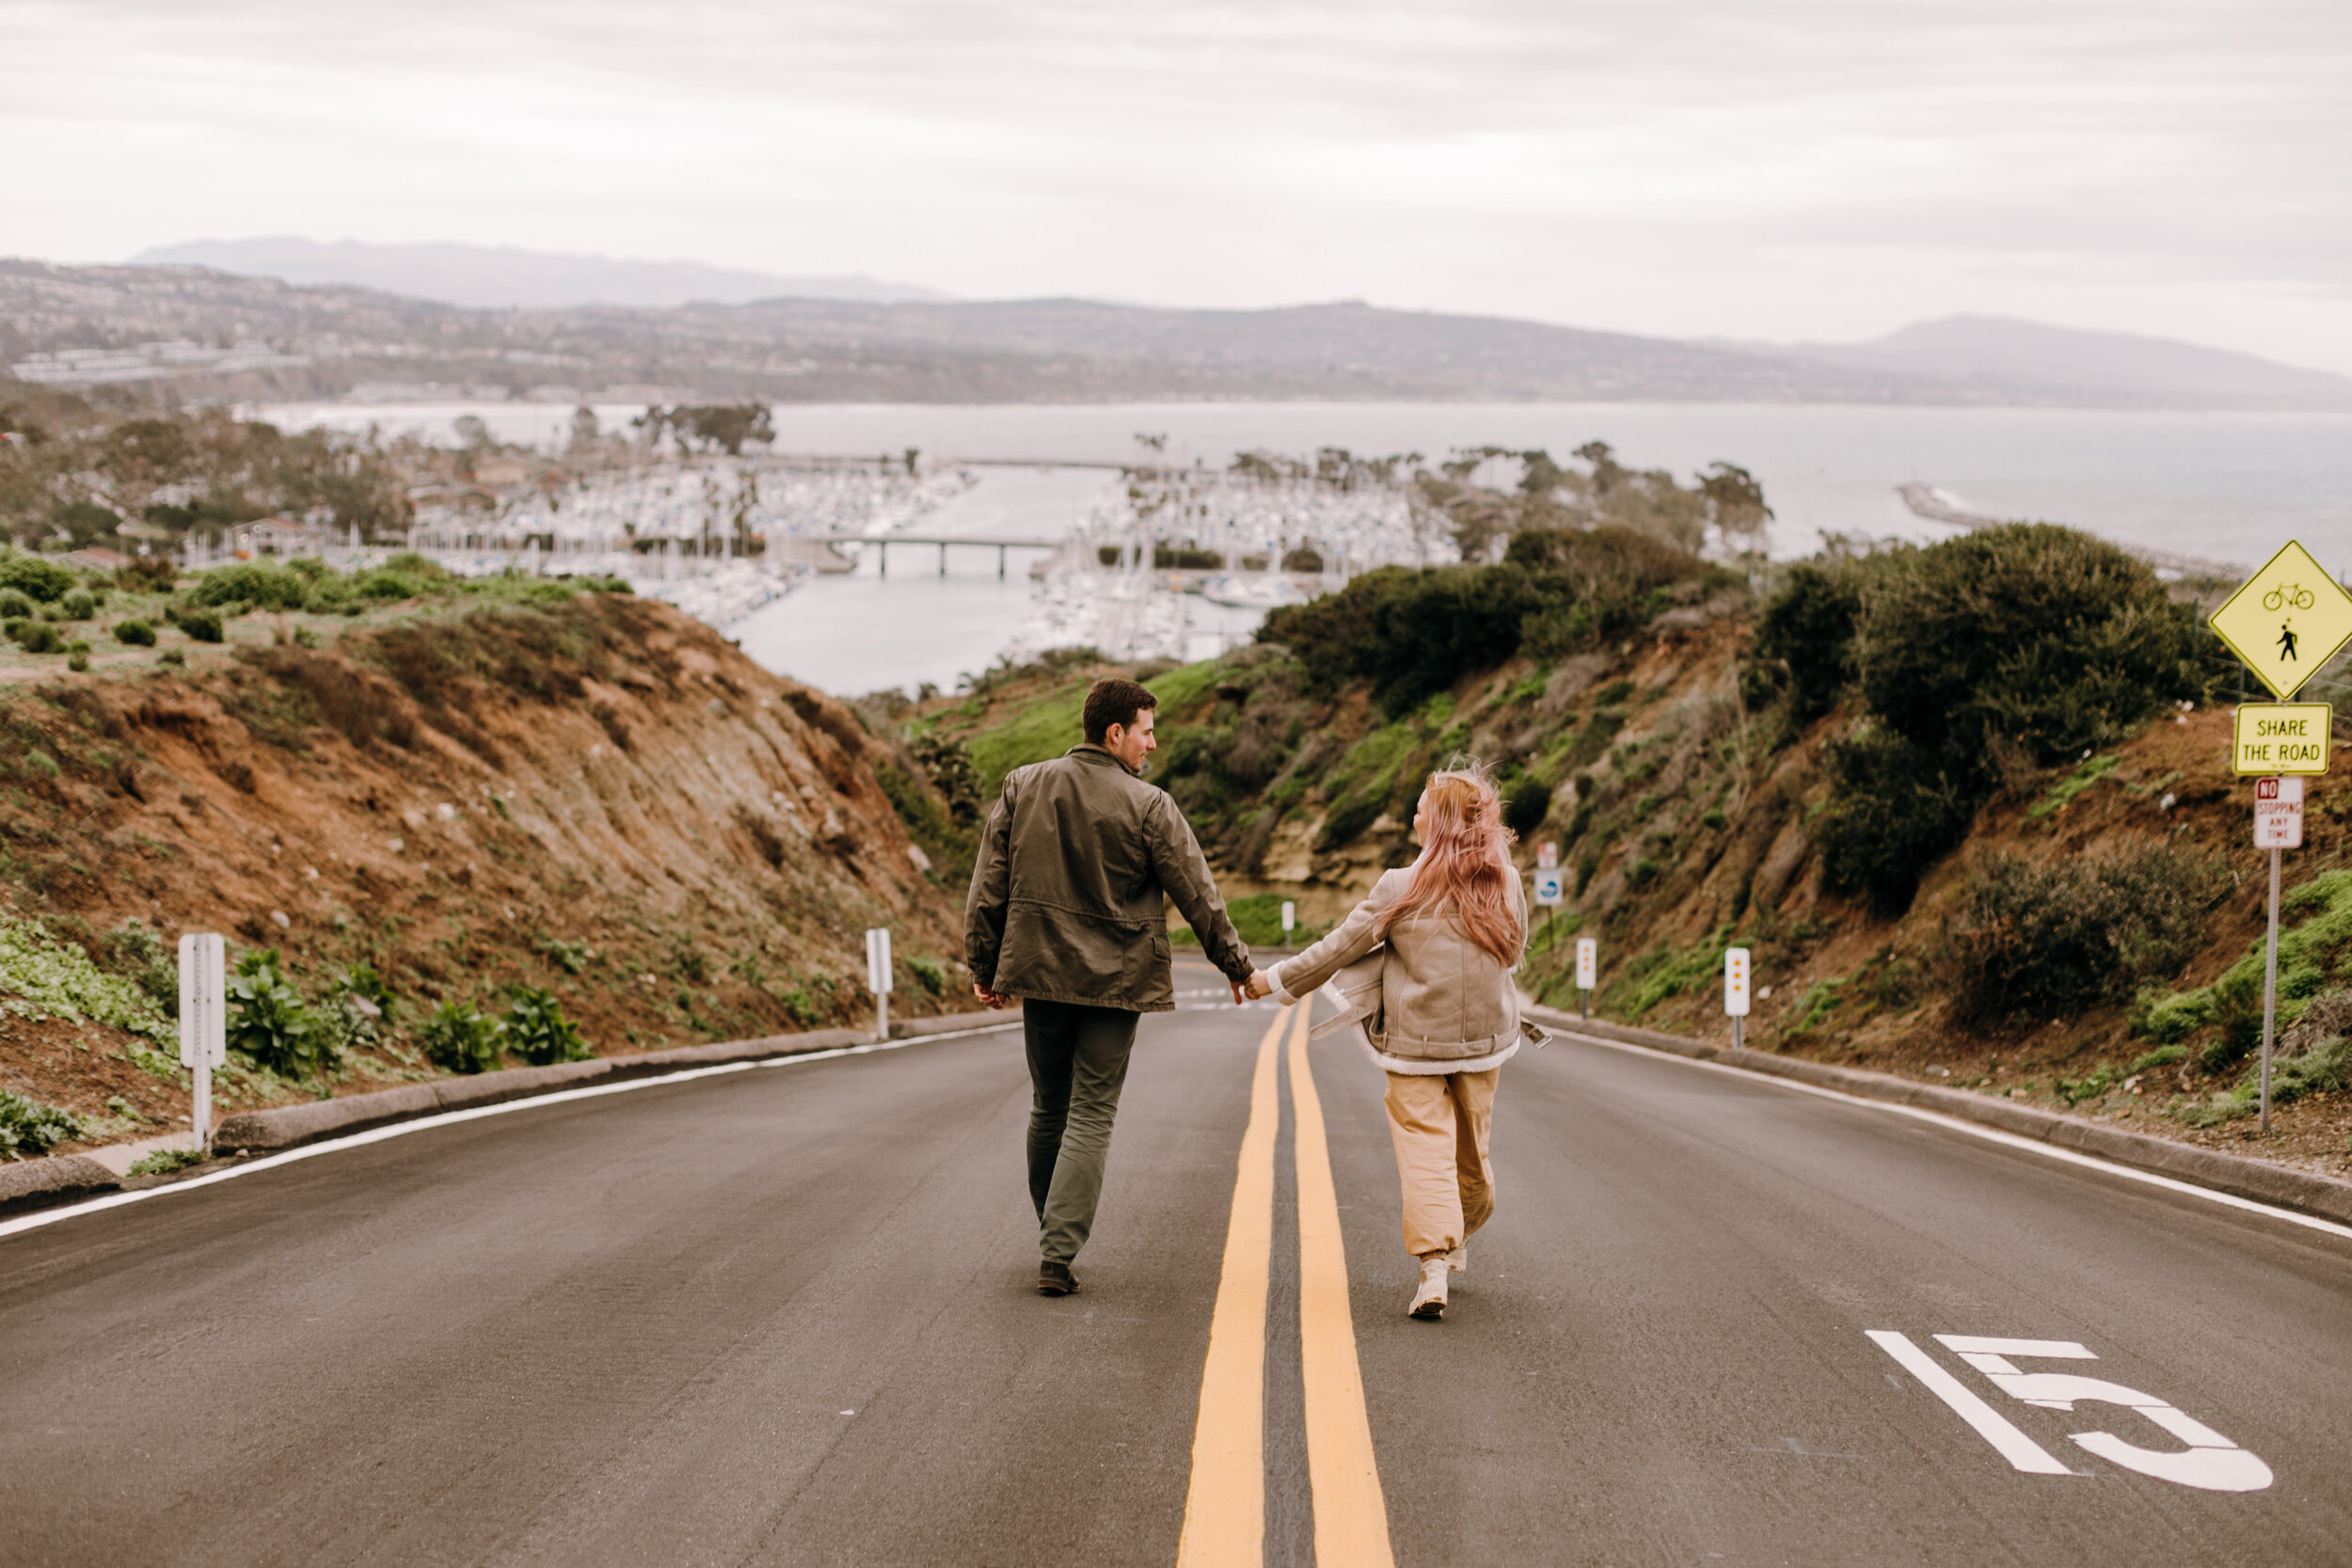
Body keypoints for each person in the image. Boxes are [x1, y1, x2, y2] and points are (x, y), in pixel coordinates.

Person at [967, 676, 1256, 1297]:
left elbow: (989, 881)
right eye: (1147, 731)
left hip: (1041, 971)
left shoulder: (1024, 784)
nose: (1154, 744)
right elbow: (1195, 889)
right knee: (1092, 1110)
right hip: (1114, 980)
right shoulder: (1149, 804)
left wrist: (982, 962)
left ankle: (1053, 1233)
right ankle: (1057, 1250)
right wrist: (1235, 963)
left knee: (1049, 1104)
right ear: (1115, 732)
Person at [1245, 767, 1535, 1322]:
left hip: (1415, 1044)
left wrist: (1273, 981)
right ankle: (1453, 1240)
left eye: (1422, 806)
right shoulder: (1506, 880)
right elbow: (1514, 948)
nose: (1413, 815)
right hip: (1484, 1044)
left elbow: (1337, 948)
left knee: (1426, 1154)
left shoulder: (1400, 885)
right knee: (1473, 1159)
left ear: (1441, 820)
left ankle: (1434, 1267)